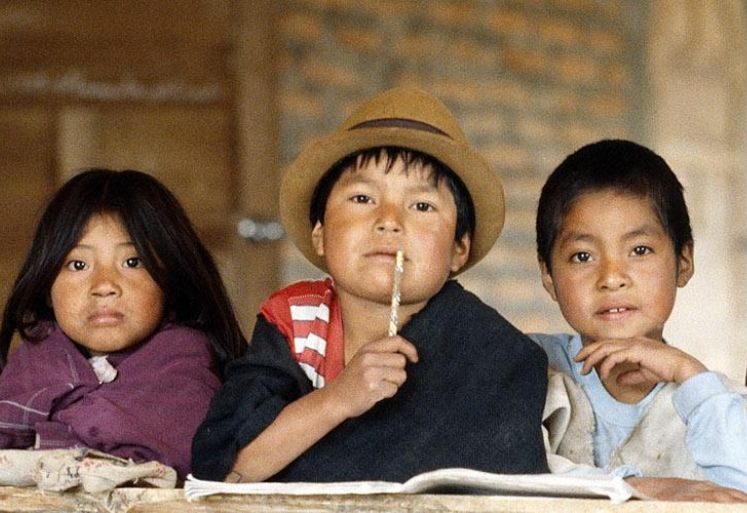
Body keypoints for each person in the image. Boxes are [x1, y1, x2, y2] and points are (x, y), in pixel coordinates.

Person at [192, 86, 548, 483]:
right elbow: (224, 470)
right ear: (321, 234)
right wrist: (338, 400)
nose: (390, 220)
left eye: (422, 206)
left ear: (458, 250)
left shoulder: (495, 355)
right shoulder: (296, 324)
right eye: (362, 198)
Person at [531, 139, 747, 503]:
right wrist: (634, 489)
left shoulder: (710, 399)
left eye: (639, 250)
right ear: (548, 275)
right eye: (582, 256)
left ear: (684, 260)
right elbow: (498, 471)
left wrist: (689, 374)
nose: (612, 277)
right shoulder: (529, 369)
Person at [0, 168, 246, 480]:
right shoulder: (32, 362)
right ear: (47, 286)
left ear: (169, 282)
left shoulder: (185, 363)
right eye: (78, 264)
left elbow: (180, 451)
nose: (104, 285)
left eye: (132, 262)